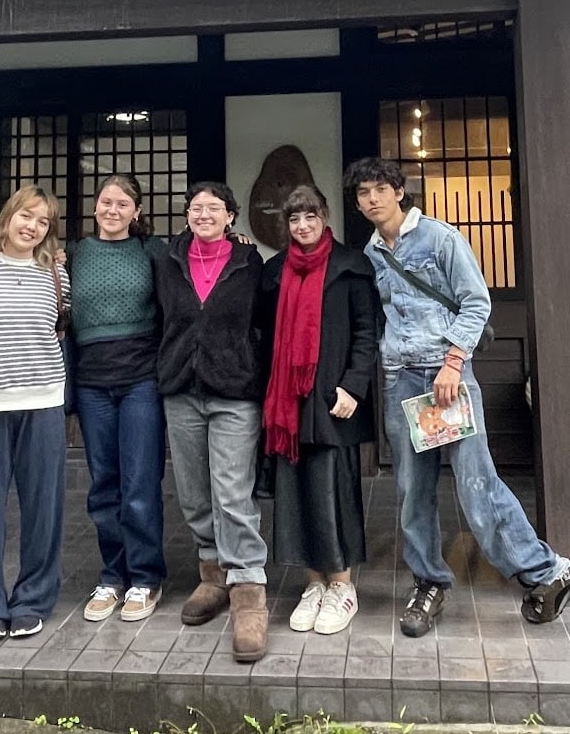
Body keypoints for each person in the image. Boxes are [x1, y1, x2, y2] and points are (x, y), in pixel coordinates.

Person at [343, 156, 570, 637]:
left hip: (447, 377)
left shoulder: (440, 238)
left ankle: (545, 570)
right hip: (401, 379)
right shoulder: (371, 253)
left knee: (475, 483)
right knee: (411, 491)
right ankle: (428, 582)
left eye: (379, 189)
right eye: (363, 193)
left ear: (398, 190)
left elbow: (477, 301)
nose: (371, 199)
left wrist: (452, 363)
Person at [155, 182, 268, 663]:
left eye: (213, 208)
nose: (203, 214)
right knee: (194, 490)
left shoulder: (249, 262)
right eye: (195, 207)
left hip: (233, 391)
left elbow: (263, 321)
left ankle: (247, 589)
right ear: (186, 216)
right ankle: (211, 573)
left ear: (230, 216)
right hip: (181, 387)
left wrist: (250, 368)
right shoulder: (166, 259)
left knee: (231, 491)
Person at [262, 185, 377, 635]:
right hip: (288, 403)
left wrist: (353, 386)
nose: (303, 226)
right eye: (294, 219)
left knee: (335, 490)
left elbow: (367, 333)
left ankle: (342, 586)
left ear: (325, 217)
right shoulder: (274, 272)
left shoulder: (351, 266)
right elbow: (260, 332)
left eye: (310, 216)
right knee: (294, 493)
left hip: (334, 400)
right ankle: (313, 583)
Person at [0, 185, 69, 641]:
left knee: (43, 509)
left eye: (43, 222)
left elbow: (62, 328)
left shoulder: (55, 274)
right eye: (27, 216)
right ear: (7, 217)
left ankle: (33, 599)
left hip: (43, 400)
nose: (33, 227)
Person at [68, 175, 167, 623]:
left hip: (141, 379)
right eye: (106, 202)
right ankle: (112, 575)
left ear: (136, 212)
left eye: (123, 203)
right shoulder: (72, 254)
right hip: (92, 383)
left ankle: (145, 576)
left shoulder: (153, 252)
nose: (113, 210)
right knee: (104, 482)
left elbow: (198, 264)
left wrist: (234, 235)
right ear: (95, 207)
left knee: (140, 483)